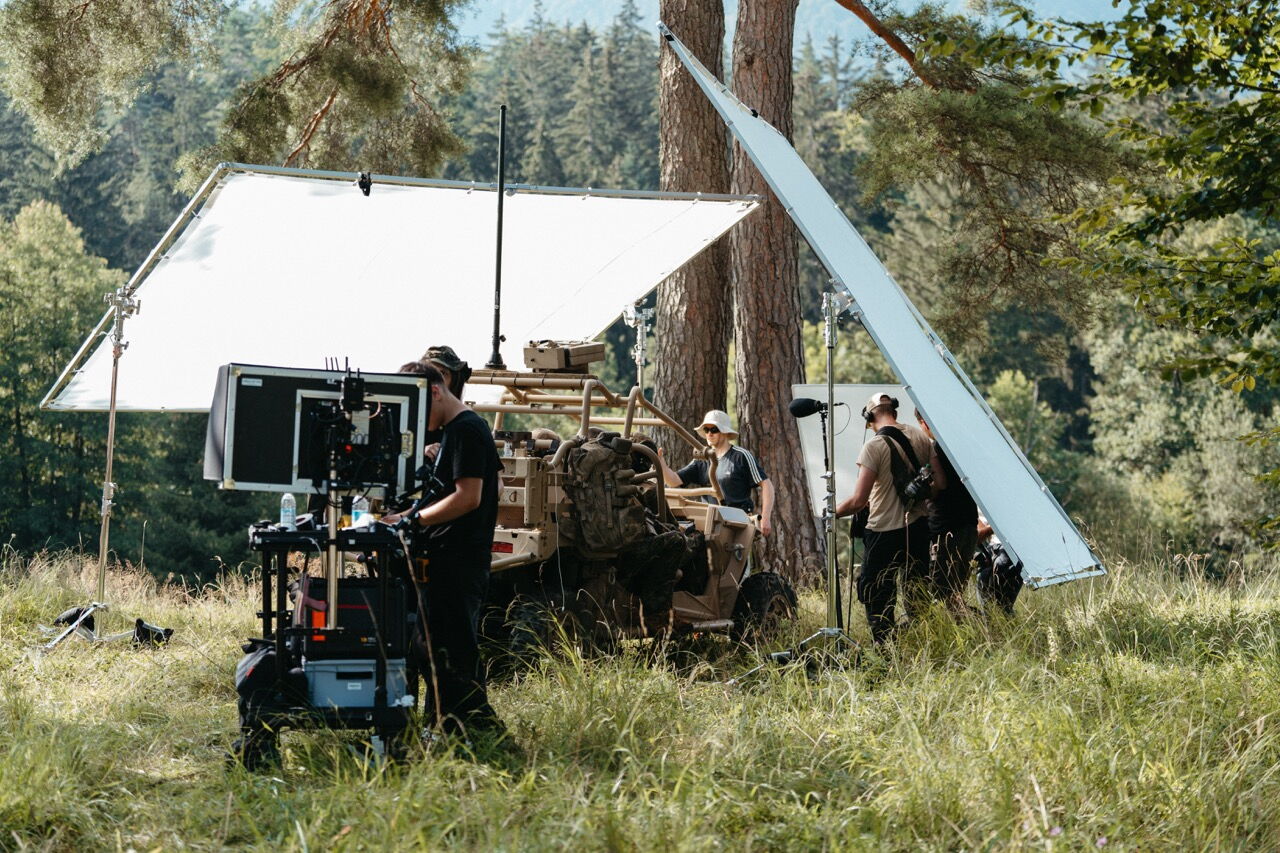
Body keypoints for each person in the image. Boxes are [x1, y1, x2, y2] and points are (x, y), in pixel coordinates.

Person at [381, 364, 506, 742]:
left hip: (457, 560)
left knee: (451, 657)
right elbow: (491, 483)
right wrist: (401, 517)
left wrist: (412, 521)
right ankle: (442, 730)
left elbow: (469, 497)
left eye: (421, 407)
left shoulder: (467, 429)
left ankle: (470, 734)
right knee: (431, 650)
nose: (420, 420)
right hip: (444, 559)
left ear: (435, 391)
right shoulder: (456, 431)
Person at [836, 392, 945, 645]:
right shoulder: (920, 437)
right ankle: (921, 646)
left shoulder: (873, 446)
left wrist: (831, 511)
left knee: (875, 593)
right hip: (918, 528)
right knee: (917, 592)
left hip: (884, 530)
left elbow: (858, 501)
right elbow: (940, 483)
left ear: (870, 418)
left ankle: (885, 650)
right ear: (894, 412)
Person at [656, 410, 774, 536]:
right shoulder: (701, 460)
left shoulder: (741, 456)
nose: (709, 434)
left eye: (714, 430)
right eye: (706, 430)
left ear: (725, 432)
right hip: (708, 522)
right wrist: (660, 462)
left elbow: (766, 484)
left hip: (737, 522)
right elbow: (674, 481)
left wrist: (766, 517)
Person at [915, 411, 979, 616]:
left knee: (940, 596)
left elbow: (938, 487)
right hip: (969, 525)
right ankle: (972, 636)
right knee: (956, 594)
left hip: (945, 530)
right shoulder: (962, 449)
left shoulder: (935, 452)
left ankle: (961, 635)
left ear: (924, 422)